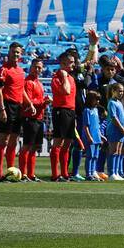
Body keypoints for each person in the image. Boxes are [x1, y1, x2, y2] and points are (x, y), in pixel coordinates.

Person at [0, 42, 27, 181]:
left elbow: (21, 89)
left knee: (14, 141)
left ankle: (10, 172)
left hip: (18, 108)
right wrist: (2, 109)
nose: (16, 54)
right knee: (4, 140)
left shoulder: (21, 71)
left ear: (21, 54)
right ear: (9, 53)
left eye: (18, 52)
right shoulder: (3, 69)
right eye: (13, 51)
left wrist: (29, 104)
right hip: (7, 106)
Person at [50, 51, 78, 182]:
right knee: (58, 143)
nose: (73, 64)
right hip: (60, 111)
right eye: (71, 62)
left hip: (71, 112)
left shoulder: (71, 77)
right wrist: (64, 76)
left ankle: (65, 173)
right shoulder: (57, 78)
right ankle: (55, 174)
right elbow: (66, 91)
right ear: (63, 63)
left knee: (67, 143)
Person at [20, 57, 47, 181]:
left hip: (39, 117)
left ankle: (31, 174)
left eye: (39, 67)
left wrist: (45, 103)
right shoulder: (28, 82)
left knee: (35, 147)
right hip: (30, 118)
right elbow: (28, 101)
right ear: (30, 67)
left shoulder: (38, 83)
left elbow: (37, 102)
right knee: (27, 146)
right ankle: (23, 174)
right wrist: (44, 101)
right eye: (35, 67)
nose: (37, 69)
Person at [104, 82, 124, 181]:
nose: (121, 93)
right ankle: (111, 173)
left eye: (122, 91)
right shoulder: (111, 102)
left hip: (121, 131)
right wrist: (122, 129)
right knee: (113, 151)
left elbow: (122, 117)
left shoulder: (119, 103)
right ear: (113, 91)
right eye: (119, 91)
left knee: (119, 151)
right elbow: (114, 118)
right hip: (114, 130)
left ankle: (116, 172)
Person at [80, 89, 104, 182]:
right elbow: (85, 126)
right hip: (90, 137)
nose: (97, 102)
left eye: (98, 100)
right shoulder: (87, 110)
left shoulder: (96, 110)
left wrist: (101, 136)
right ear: (90, 99)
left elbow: (97, 125)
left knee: (95, 156)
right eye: (96, 99)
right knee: (90, 156)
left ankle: (93, 172)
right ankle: (88, 174)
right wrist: (89, 137)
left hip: (97, 136)